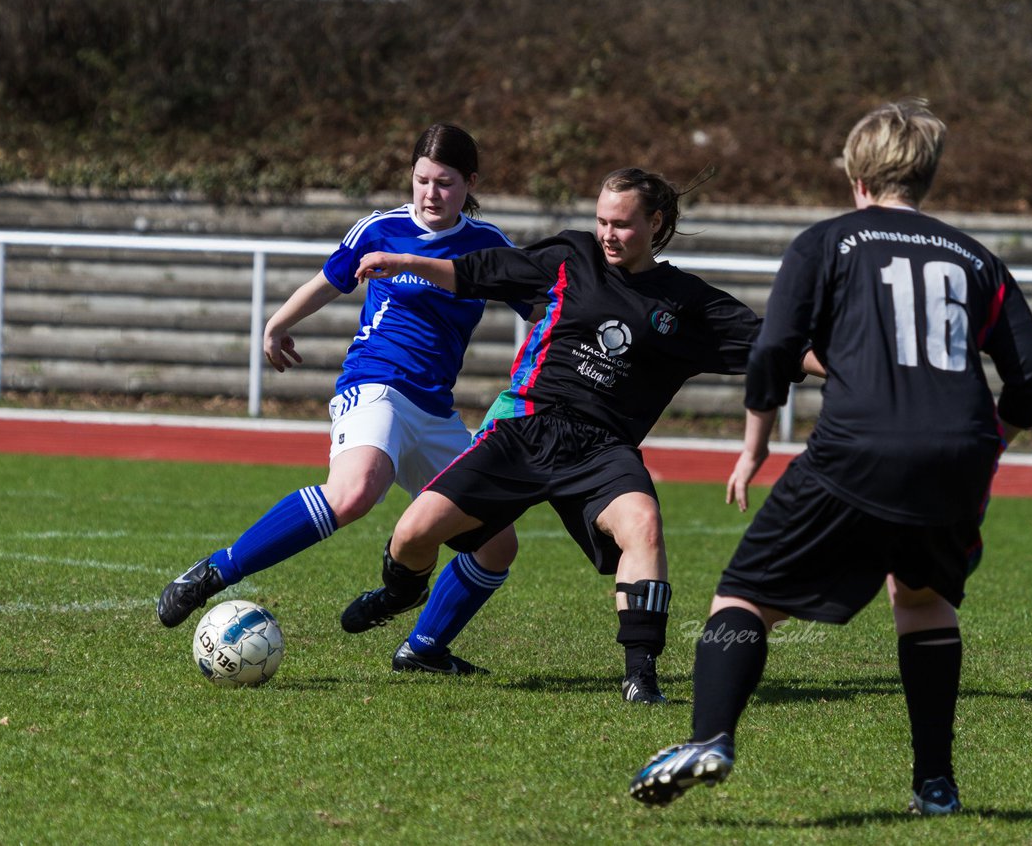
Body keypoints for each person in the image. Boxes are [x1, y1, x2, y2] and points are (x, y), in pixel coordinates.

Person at [629, 99, 1032, 814]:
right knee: (922, 601)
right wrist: (988, 445)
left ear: (856, 176)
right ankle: (936, 785)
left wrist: (756, 438)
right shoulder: (975, 257)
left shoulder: (827, 243)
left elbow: (773, 349)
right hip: (958, 457)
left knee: (743, 597)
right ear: (925, 176)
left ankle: (709, 738)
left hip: (857, 448)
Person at [339, 167, 807, 702]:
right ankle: (400, 595)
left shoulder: (689, 303)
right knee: (412, 535)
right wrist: (402, 261)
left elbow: (775, 345)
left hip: (602, 447)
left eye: (623, 225)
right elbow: (479, 272)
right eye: (602, 221)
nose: (608, 234)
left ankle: (641, 676)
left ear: (655, 223)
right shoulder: (573, 257)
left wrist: (852, 366)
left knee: (644, 526)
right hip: (526, 427)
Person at [157, 123, 527, 652]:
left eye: (444, 183)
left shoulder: (488, 247)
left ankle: (423, 650)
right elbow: (330, 279)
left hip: (436, 410)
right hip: (375, 385)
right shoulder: (379, 229)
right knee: (355, 491)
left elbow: (542, 309)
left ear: (470, 183)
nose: (430, 194)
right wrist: (276, 324)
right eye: (421, 180)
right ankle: (215, 572)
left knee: (498, 545)